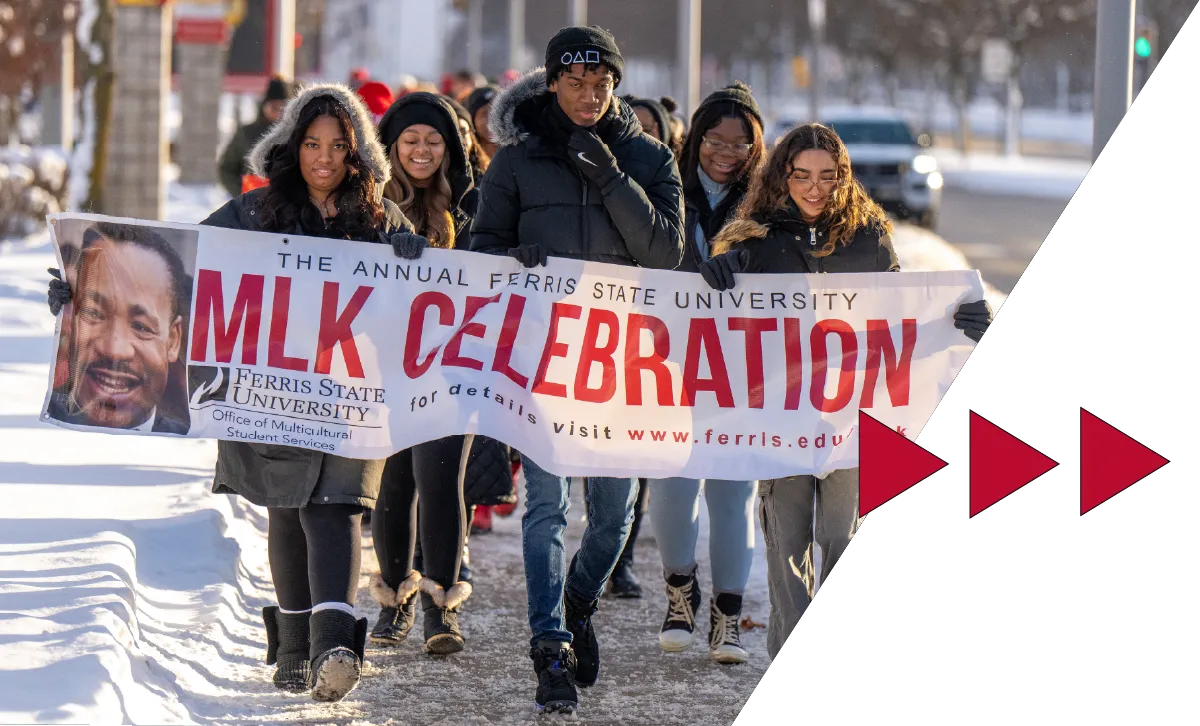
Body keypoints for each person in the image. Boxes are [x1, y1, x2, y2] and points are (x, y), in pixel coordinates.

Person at [703, 123, 992, 659]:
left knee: (842, 539)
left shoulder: (869, 239)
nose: (815, 188)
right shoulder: (754, 241)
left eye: (827, 177)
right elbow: (715, 324)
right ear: (781, 177)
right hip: (780, 417)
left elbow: (903, 316)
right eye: (802, 176)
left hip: (849, 418)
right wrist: (720, 273)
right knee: (787, 544)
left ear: (844, 177)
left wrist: (959, 318)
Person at [470, 25, 684, 714]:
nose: (590, 95)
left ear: (615, 85)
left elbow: (667, 255)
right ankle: (549, 645)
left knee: (613, 520)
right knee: (545, 508)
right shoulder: (517, 160)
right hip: (541, 360)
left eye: (602, 84)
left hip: (621, 366)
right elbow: (481, 252)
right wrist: (517, 257)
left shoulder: (649, 158)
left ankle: (579, 599)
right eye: (576, 82)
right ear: (552, 81)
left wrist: (611, 177)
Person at [201, 84, 425, 701]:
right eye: (311, 144)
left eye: (338, 146)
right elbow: (183, 267)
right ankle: (294, 649)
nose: (323, 158)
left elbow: (429, 300)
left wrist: (412, 256)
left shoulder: (382, 218)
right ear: (291, 147)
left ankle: (333, 648)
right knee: (287, 507)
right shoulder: (252, 212)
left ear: (358, 155)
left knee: (338, 507)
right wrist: (92, 282)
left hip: (354, 394)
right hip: (273, 392)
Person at [644, 81, 768, 666]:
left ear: (756, 147)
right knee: (671, 493)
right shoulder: (668, 193)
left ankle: (727, 613)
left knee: (732, 494)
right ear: (695, 140)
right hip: (668, 366)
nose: (727, 151)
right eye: (715, 139)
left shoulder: (770, 204)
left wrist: (753, 261)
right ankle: (680, 589)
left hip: (742, 371)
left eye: (740, 143)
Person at [368, 91, 478, 656]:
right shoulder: (368, 202)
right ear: (391, 146)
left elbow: (493, 261)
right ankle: (394, 597)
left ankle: (442, 606)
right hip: (384, 365)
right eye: (410, 139)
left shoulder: (470, 202)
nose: (422, 149)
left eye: (434, 140)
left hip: (451, 366)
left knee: (440, 480)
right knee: (395, 480)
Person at [45, 223, 190, 435]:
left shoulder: (189, 444)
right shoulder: (47, 427)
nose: (114, 350)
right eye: (93, 313)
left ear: (173, 340)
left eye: (141, 326)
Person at [218, 75, 294, 198]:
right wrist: (241, 193)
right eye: (274, 107)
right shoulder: (246, 133)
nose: (278, 112)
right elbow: (227, 168)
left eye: (283, 107)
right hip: (252, 203)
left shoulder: (297, 134)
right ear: (264, 106)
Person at [465, 84, 500, 160]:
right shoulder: (467, 160)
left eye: (497, 111)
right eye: (485, 113)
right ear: (472, 120)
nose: (492, 119)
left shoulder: (520, 153)